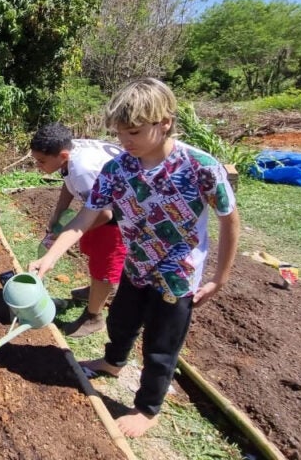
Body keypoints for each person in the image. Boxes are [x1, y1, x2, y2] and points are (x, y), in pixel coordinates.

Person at [29, 77, 240, 438]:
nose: (125, 142)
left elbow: (229, 219)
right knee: (122, 322)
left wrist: (219, 278)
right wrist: (51, 255)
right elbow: (86, 216)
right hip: (136, 264)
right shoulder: (119, 169)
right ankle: (112, 363)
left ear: (165, 122)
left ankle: (147, 408)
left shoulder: (200, 167)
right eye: (121, 133)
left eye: (135, 133)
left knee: (161, 344)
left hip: (178, 274)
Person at [29, 123, 126, 338]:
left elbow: (105, 215)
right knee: (91, 248)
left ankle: (94, 316)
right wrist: (58, 213)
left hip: (120, 215)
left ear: (62, 155)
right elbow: (68, 179)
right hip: (102, 207)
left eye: (41, 161)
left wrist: (68, 235)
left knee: (104, 264)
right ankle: (95, 291)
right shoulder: (71, 153)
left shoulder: (83, 168)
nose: (38, 166)